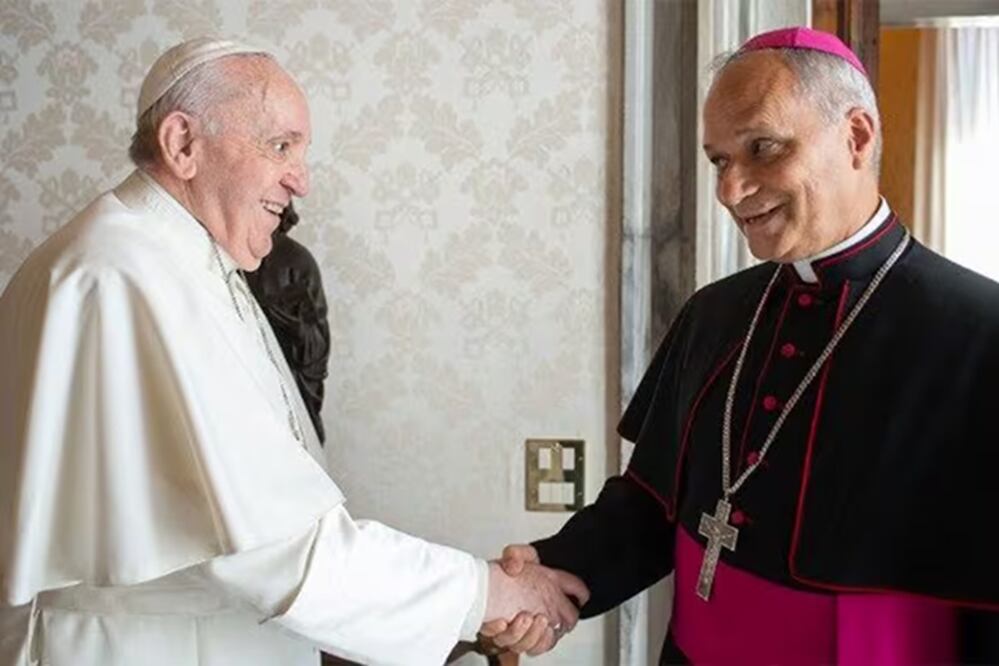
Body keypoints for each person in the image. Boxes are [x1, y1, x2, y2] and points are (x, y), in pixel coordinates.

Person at [0, 37, 587, 666]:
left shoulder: (179, 260)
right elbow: (272, 551)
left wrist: (466, 607)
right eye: (280, 146)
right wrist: (485, 593)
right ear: (182, 144)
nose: (300, 180)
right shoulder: (122, 274)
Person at [482, 26, 999, 663]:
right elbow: (650, 503)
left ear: (856, 137)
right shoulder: (716, 313)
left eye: (763, 148)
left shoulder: (981, 336)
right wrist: (549, 574)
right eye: (721, 160)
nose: (731, 190)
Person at [245, 201, 330, 444]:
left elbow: (316, 340)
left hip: (293, 376)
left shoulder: (297, 261)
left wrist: (285, 318)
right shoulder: (233, 255)